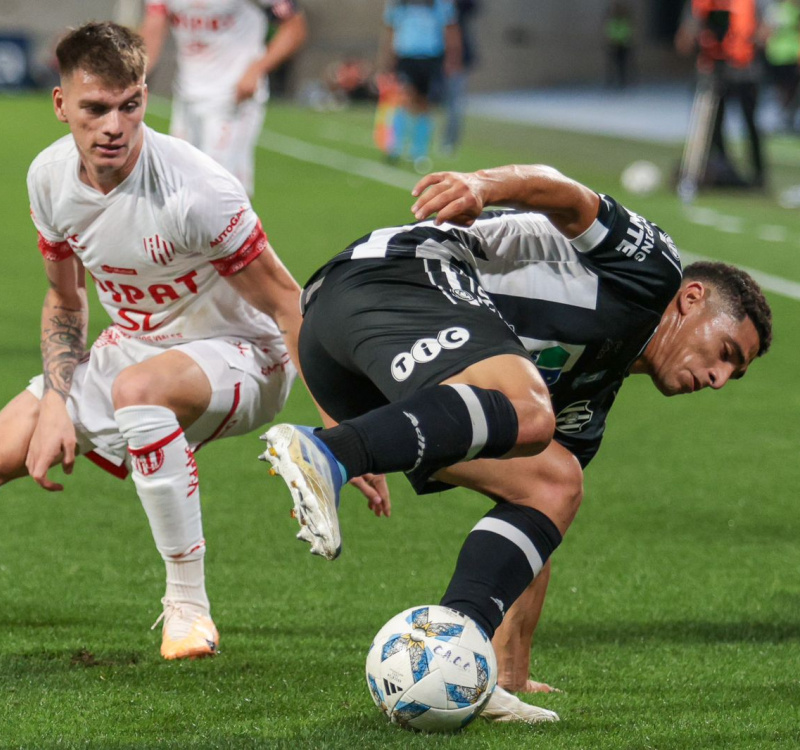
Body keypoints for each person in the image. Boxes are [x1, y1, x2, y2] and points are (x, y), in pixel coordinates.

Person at [0, 22, 304, 662]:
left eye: (130, 105)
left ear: (146, 95)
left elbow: (288, 303)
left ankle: (188, 610)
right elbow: (66, 298)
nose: (114, 126)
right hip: (137, 346)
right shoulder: (48, 179)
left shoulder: (198, 191)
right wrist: (59, 406)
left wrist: (347, 439)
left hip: (244, 355)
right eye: (95, 108)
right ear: (62, 105)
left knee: (137, 390)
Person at [260, 164, 772, 722]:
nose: (720, 379)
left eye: (734, 375)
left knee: (554, 484)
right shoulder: (654, 271)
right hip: (391, 277)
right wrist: (484, 186)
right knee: (532, 414)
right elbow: (568, 194)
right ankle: (330, 452)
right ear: (692, 300)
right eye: (727, 353)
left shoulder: (588, 402)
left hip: (357, 370)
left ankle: (466, 659)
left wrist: (510, 671)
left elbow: (537, 533)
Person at [139, 0, 308, 195]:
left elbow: (295, 26)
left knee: (218, 189)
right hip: (186, 96)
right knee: (178, 187)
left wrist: (257, 69)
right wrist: (131, 79)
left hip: (233, 97)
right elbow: (153, 30)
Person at [676, 0, 767, 189]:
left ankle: (758, 175)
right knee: (714, 125)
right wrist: (701, 38)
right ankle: (725, 170)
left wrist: (745, 39)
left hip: (744, 70)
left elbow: (765, 31)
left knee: (750, 123)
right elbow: (685, 38)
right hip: (712, 71)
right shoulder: (701, 3)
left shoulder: (751, 3)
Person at [381, 0, 462, 171]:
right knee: (404, 98)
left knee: (423, 104)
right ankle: (394, 146)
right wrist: (387, 58)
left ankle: (418, 151)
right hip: (406, 57)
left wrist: (451, 59)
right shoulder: (398, 5)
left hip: (430, 59)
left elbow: (450, 31)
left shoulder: (440, 5)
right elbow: (390, 31)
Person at [441, 0, 480, 155]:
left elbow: (473, 7)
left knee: (454, 103)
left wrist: (454, 59)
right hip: (432, 55)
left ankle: (449, 142)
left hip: (456, 59)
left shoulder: (459, 8)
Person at [761, 0, 800, 131]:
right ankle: (782, 117)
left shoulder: (794, 8)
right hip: (775, 56)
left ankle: (787, 116)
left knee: (790, 89)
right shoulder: (774, 8)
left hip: (791, 56)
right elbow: (766, 31)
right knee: (779, 89)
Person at [604, 1, 634, 89]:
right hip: (614, 46)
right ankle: (612, 81)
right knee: (613, 65)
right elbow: (609, 33)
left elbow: (628, 33)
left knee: (623, 65)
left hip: (623, 46)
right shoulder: (612, 21)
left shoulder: (624, 21)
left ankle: (623, 82)